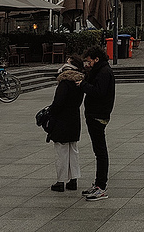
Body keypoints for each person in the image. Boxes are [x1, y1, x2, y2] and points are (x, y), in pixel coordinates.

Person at [80, 46, 115, 200]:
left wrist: (82, 85)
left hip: (98, 115)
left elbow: (98, 92)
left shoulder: (104, 72)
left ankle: (101, 187)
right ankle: (98, 184)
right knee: (98, 151)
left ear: (96, 59)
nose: (88, 64)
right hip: (95, 114)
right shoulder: (100, 70)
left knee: (100, 152)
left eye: (89, 61)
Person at [47, 54, 85, 192]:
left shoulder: (65, 82)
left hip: (62, 120)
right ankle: (73, 179)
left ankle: (60, 181)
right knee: (73, 150)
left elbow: (58, 103)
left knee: (61, 151)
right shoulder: (79, 82)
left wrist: (52, 113)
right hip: (74, 118)